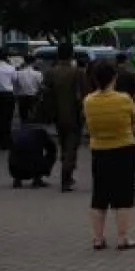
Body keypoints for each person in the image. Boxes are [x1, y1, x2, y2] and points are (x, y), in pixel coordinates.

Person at [83, 60, 135, 250]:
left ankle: (98, 239)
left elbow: (89, 125)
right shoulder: (124, 99)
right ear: (114, 78)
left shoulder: (89, 100)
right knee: (123, 194)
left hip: (99, 150)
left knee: (99, 195)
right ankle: (123, 238)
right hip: (124, 149)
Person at [43, 44, 86, 193]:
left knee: (63, 144)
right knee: (71, 147)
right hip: (74, 115)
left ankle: (67, 174)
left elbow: (45, 93)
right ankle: (66, 177)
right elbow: (85, 94)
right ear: (71, 55)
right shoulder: (78, 72)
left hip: (56, 115)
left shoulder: (50, 73)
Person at [8, 120, 57, 190]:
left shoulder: (18, 131)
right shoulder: (41, 133)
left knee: (19, 154)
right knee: (43, 153)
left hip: (14, 167)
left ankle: (17, 179)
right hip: (31, 166)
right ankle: (37, 179)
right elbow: (52, 148)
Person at [0, 54, 17, 150]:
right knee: (8, 118)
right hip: (8, 95)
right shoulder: (11, 68)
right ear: (6, 58)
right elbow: (14, 79)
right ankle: (6, 140)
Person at [14, 55, 43, 122]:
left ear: (24, 62)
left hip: (22, 97)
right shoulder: (38, 74)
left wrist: (16, 95)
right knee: (34, 118)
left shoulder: (18, 73)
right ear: (34, 62)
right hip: (34, 97)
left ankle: (24, 129)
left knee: (23, 117)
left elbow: (15, 86)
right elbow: (41, 86)